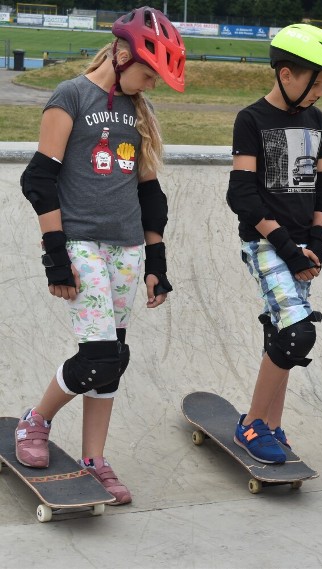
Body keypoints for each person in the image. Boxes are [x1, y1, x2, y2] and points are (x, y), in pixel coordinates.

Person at [14, 6, 185, 505]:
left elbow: (150, 194)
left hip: (128, 247)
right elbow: (39, 180)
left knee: (114, 360)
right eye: (148, 73)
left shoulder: (139, 112)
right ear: (125, 53)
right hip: (81, 242)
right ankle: (36, 420)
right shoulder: (71, 97)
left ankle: (94, 459)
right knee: (98, 355)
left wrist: (158, 263)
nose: (150, 85)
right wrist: (54, 255)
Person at [225, 24, 322, 464]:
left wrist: (317, 240)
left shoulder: (315, 121)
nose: (320, 93)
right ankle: (252, 424)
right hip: (265, 244)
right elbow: (242, 194)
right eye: (316, 82)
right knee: (297, 333)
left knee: (282, 332)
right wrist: (288, 249)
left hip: (303, 247)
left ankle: (272, 426)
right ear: (286, 74)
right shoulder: (252, 120)